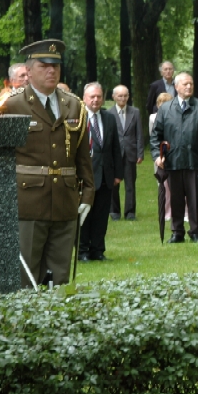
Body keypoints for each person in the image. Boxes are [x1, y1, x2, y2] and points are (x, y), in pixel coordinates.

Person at [4, 39, 94, 286]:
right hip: (28, 202)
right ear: (29, 70)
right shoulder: (12, 105)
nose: (51, 71)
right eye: (44, 66)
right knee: (27, 277)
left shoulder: (74, 105)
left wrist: (87, 194)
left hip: (65, 201)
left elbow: (82, 156)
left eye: (55, 66)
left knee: (59, 277)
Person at [151, 73, 198, 243]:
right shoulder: (165, 109)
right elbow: (155, 136)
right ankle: (177, 232)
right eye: (185, 84)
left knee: (195, 199)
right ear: (176, 86)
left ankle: (195, 232)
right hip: (172, 161)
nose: (189, 87)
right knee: (175, 199)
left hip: (195, 161)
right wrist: (157, 156)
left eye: (191, 84)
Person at [78, 83, 123, 261]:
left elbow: (115, 147)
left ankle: (97, 250)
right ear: (84, 98)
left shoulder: (109, 118)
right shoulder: (78, 118)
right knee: (85, 214)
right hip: (85, 176)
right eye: (92, 97)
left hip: (106, 175)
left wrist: (118, 173)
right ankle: (82, 251)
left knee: (101, 215)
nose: (96, 100)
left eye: (99, 96)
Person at [108, 85, 144, 221]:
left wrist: (140, 153)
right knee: (113, 184)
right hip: (114, 155)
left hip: (130, 153)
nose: (122, 98)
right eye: (120, 96)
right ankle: (114, 212)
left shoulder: (135, 112)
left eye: (125, 96)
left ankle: (130, 213)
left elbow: (139, 134)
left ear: (128, 97)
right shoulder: (108, 113)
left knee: (130, 185)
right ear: (114, 97)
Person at [149, 92, 174, 221]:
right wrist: (160, 155)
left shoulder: (175, 116)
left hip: (173, 153)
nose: (163, 105)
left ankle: (183, 211)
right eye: (161, 103)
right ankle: (165, 212)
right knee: (163, 185)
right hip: (160, 154)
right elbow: (153, 137)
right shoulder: (153, 118)